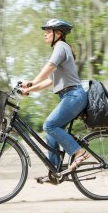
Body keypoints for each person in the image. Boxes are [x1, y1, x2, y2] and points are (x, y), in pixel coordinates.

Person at [21, 18, 89, 176]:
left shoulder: (61, 46)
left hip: (73, 96)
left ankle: (79, 152)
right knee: (51, 133)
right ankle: (55, 172)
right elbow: (50, 81)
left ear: (58, 33)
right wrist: (30, 89)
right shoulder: (61, 49)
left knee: (49, 126)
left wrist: (31, 83)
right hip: (70, 96)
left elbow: (49, 66)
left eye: (48, 31)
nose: (45, 34)